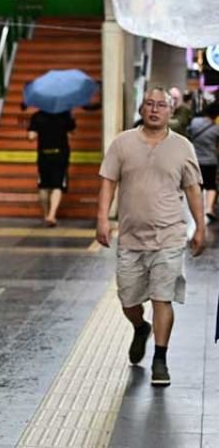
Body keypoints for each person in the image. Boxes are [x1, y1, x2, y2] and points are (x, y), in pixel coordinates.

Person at [96, 86, 205, 387]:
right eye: (149, 104)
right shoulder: (122, 143)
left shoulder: (183, 147)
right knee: (128, 299)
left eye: (161, 105)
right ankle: (139, 326)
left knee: (162, 296)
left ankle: (160, 357)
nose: (155, 109)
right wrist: (102, 220)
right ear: (142, 109)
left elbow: (193, 189)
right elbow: (108, 182)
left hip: (169, 236)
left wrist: (201, 227)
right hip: (131, 238)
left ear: (171, 111)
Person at [27, 110, 76, 227]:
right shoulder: (65, 114)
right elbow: (72, 132)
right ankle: (52, 214)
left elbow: (31, 136)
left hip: (43, 154)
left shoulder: (37, 116)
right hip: (60, 154)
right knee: (57, 185)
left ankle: (45, 215)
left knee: (43, 185)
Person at [188, 102, 219, 220]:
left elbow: (189, 133)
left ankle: (197, 208)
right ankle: (208, 208)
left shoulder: (195, 122)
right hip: (210, 161)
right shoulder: (216, 128)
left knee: (197, 186)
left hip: (194, 159)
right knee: (211, 185)